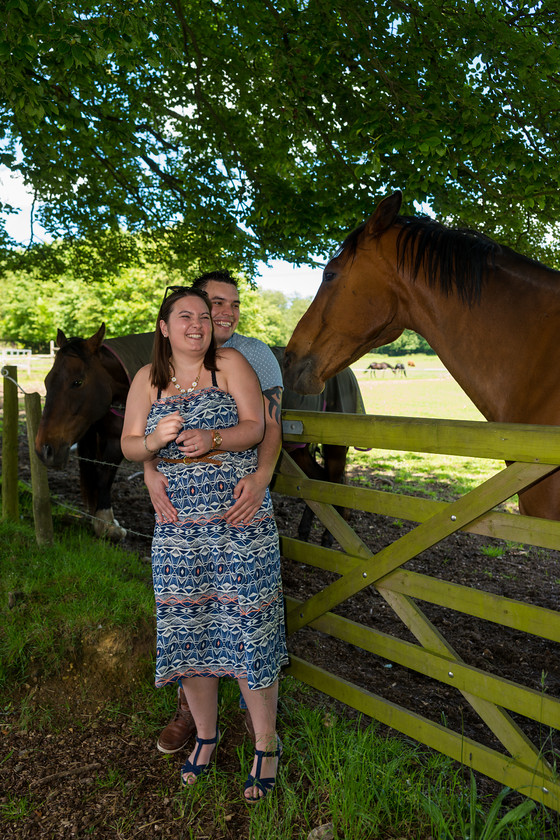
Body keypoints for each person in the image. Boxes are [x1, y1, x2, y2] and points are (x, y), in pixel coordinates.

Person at [122, 286, 288, 800]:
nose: (197, 323)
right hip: (179, 533)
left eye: (203, 315)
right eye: (184, 316)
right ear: (165, 327)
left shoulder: (232, 363)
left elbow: (258, 426)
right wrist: (152, 446)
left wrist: (213, 439)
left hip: (238, 523)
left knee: (249, 629)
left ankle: (265, 744)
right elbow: (129, 442)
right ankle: (208, 736)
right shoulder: (147, 380)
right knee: (189, 631)